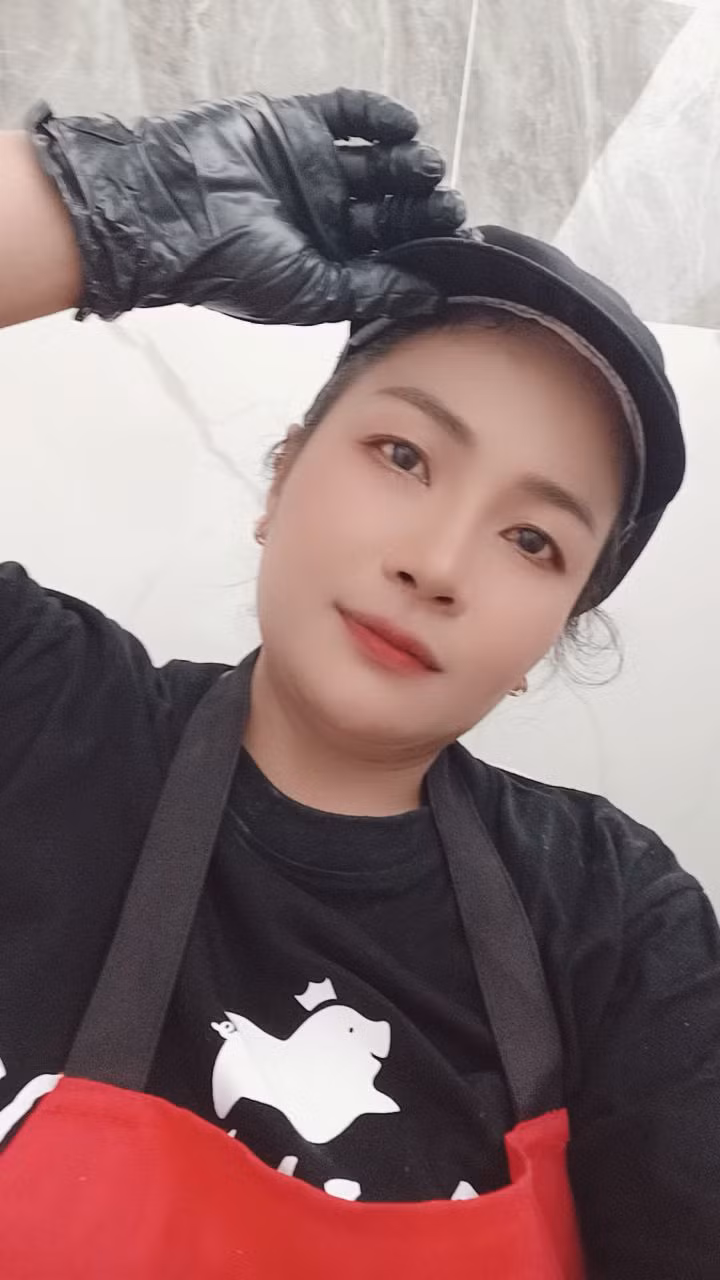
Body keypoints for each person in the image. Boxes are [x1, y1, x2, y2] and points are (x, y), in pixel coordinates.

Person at [0, 87, 717, 1280]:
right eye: (404, 454)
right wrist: (99, 208)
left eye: (532, 539)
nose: (437, 562)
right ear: (284, 473)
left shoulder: (612, 918)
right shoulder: (43, 717)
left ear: (550, 636)